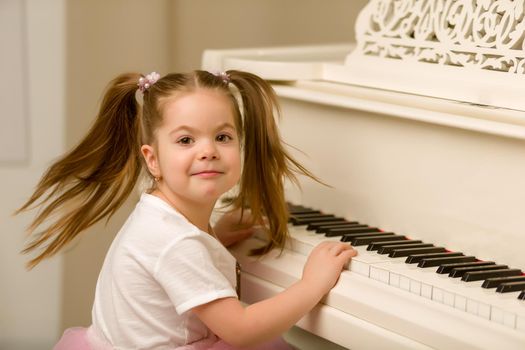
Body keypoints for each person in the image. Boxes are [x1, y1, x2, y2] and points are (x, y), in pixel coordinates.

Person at [16, 70, 357, 349]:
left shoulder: (164, 216)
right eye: (185, 140)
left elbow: (174, 266)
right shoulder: (175, 243)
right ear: (153, 159)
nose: (207, 150)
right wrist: (311, 284)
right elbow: (240, 329)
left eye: (222, 137)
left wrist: (215, 237)